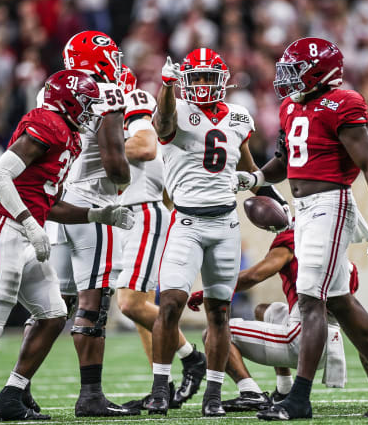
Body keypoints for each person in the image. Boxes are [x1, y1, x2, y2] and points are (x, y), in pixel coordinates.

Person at [0, 70, 133, 420]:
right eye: (85, 103)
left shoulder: (70, 138)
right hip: (5, 229)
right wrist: (31, 224)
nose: (90, 112)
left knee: (53, 314)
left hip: (25, 231)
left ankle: (11, 396)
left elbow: (51, 204)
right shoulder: (47, 123)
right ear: (67, 101)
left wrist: (98, 215)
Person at [234, 37, 368, 419]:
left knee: (311, 299)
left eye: (295, 69)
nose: (287, 78)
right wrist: (255, 179)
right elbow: (285, 160)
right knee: (340, 301)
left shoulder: (342, 104)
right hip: (306, 209)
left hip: (332, 206)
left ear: (319, 72)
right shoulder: (291, 106)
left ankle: (298, 398)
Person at [147, 48, 288, 417]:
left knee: (219, 314)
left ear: (223, 80)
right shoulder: (173, 108)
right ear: (184, 82)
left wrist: (271, 195)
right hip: (187, 224)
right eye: (197, 78)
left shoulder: (239, 116)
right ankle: (160, 389)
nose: (205, 85)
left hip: (225, 224)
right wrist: (165, 86)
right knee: (171, 304)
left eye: (211, 78)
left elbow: (249, 165)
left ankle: (213, 394)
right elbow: (162, 126)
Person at [32, 31, 135, 417]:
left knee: (51, 307)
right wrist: (125, 181)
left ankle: (18, 386)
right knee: (94, 304)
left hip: (61, 207)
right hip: (95, 208)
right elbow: (114, 163)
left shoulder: (52, 90)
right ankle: (91, 395)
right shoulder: (108, 91)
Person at [187, 228, 368, 412]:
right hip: (326, 341)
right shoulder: (339, 257)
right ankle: (284, 389)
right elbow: (358, 327)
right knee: (264, 310)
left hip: (303, 340)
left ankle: (251, 393)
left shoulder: (292, 240)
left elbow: (254, 276)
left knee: (214, 333)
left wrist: (208, 293)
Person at [114, 65, 207, 410]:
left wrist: (100, 151)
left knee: (132, 305)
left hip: (144, 211)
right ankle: (162, 386)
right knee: (139, 312)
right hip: (131, 213)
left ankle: (191, 357)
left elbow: (146, 146)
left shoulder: (132, 99)